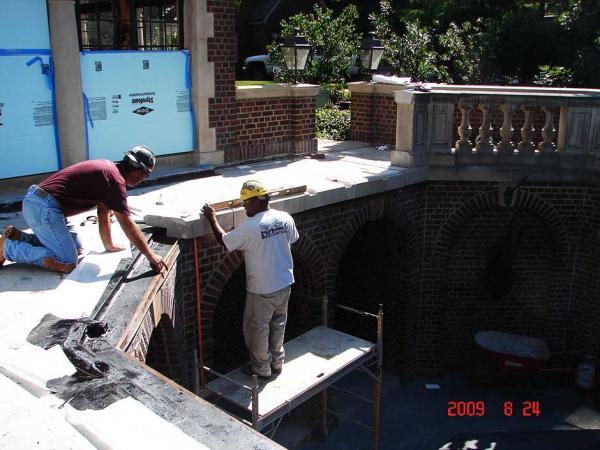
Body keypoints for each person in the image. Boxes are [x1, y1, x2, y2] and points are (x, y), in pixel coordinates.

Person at [0, 146, 165, 274]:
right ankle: (7, 249)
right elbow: (127, 224)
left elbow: (103, 212)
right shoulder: (114, 181)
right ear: (139, 170)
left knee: (77, 248)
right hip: (42, 207)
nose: (144, 179)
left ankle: (18, 237)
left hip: (42, 204)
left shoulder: (109, 171)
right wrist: (151, 256)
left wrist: (109, 245)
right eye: (146, 175)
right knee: (66, 261)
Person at [201, 180, 299, 380]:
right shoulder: (284, 217)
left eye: (246, 202)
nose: (244, 206)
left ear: (256, 201)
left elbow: (224, 240)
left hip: (262, 289)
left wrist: (212, 218)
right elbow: (293, 240)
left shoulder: (251, 227)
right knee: (278, 324)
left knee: (257, 329)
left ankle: (262, 369)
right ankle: (277, 362)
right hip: (285, 283)